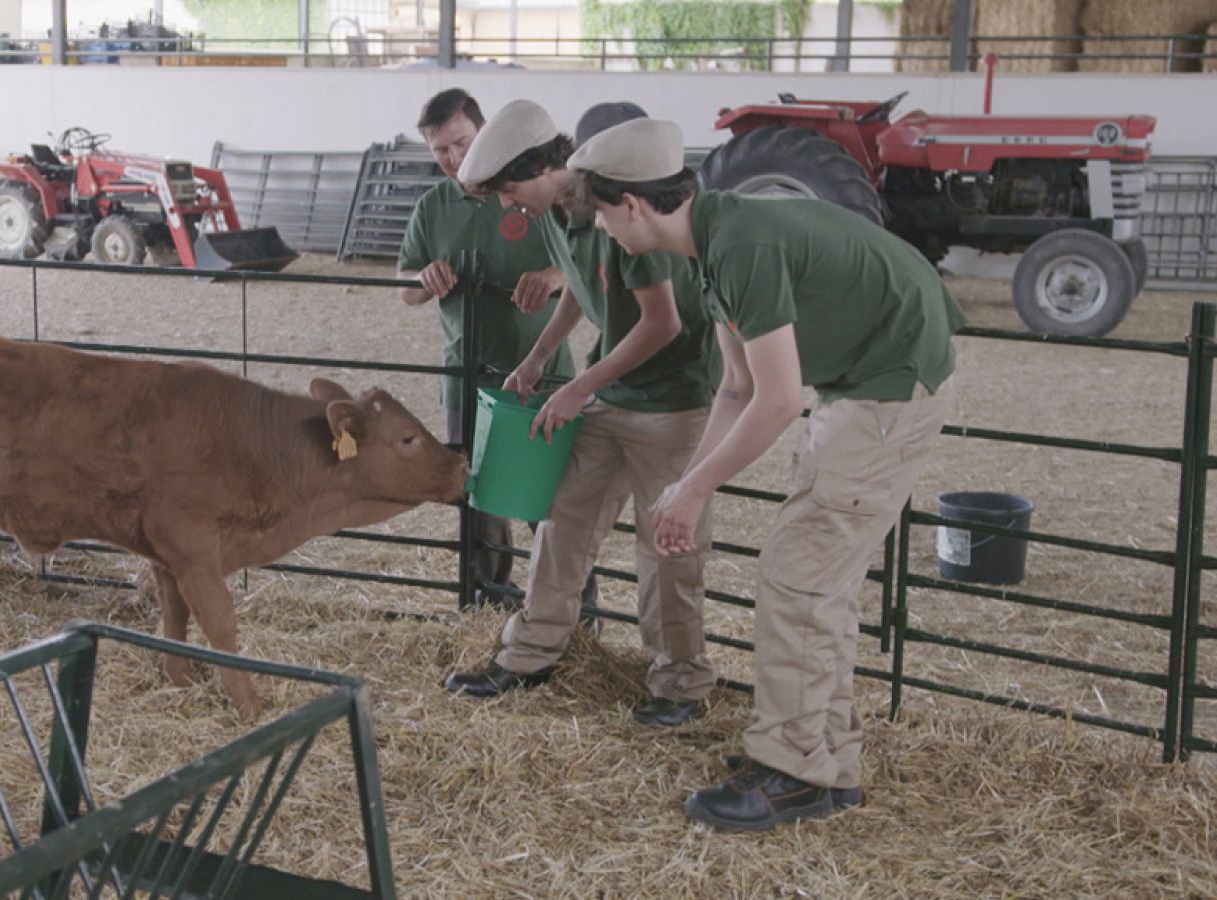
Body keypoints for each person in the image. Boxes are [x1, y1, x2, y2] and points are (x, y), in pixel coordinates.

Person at [568, 117, 964, 830]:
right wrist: (686, 486)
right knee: (814, 580)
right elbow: (738, 388)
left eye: (599, 212)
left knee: (799, 574)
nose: (601, 229)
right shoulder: (717, 238)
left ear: (630, 205)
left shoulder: (739, 243)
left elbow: (780, 401)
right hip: (863, 383)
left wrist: (694, 488)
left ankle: (795, 773)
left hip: (888, 384)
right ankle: (823, 760)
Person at [441, 99, 721, 729]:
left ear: (545, 166)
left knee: (668, 545)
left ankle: (680, 682)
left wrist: (577, 387)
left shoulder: (623, 208)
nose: (510, 204)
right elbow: (577, 285)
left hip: (673, 403)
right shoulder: (553, 215)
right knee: (562, 523)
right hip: (613, 394)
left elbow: (662, 323)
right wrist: (542, 356)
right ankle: (530, 655)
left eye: (512, 187)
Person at [396, 89, 589, 609]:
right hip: (466, 372)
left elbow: (578, 266)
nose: (454, 159)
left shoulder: (539, 197)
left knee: (545, 496)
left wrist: (551, 277)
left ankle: (571, 605)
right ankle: (489, 599)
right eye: (441, 150)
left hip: (539, 370)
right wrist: (426, 275)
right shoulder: (433, 206)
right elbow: (407, 285)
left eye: (461, 143)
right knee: (476, 495)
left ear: (486, 134)